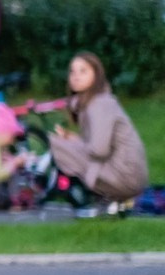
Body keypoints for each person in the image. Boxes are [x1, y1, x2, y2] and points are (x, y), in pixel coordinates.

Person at [50, 52, 150, 209]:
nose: (76, 76)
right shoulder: (93, 102)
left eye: (83, 71)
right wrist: (74, 139)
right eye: (72, 71)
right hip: (127, 174)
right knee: (64, 143)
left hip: (125, 176)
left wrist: (72, 146)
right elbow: (98, 144)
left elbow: (99, 150)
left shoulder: (99, 104)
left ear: (96, 75)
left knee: (54, 143)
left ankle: (75, 189)